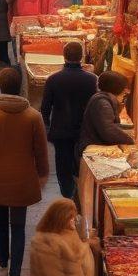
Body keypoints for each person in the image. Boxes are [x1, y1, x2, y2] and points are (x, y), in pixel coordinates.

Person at [0, 66, 49, 276]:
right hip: (23, 180)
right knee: (18, 226)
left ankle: (2, 265)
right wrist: (42, 174)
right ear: (20, 87)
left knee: (0, 224)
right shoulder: (33, 117)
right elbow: (40, 150)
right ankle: (16, 273)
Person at [41, 42, 98, 203]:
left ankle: (68, 196)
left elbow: (45, 108)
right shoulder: (92, 79)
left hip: (60, 132)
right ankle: (80, 197)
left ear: (64, 56)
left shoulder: (53, 79)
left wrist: (46, 129)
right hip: (84, 132)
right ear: (82, 56)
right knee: (81, 165)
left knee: (63, 167)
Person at [76, 71, 134, 161]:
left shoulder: (102, 99)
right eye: (124, 89)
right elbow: (108, 129)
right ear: (116, 88)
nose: (125, 92)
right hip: (94, 146)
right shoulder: (102, 103)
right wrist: (130, 140)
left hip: (95, 142)